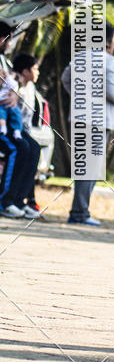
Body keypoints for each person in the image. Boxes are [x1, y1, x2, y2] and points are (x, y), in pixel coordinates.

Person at [61, 23, 114, 225]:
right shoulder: (110, 61)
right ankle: (80, 213)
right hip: (98, 121)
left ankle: (79, 211)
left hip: (79, 117)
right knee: (91, 168)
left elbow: (66, 79)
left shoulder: (80, 57)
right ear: (108, 42)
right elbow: (112, 92)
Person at [0, 28, 41, 220]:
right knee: (18, 149)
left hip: (10, 124)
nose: (9, 44)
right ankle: (5, 201)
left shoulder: (4, 61)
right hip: (3, 124)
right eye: (8, 39)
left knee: (33, 148)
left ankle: (18, 200)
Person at [13, 53, 46, 217]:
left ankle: (23, 200)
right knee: (26, 149)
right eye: (35, 69)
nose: (38, 72)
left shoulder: (31, 88)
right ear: (25, 72)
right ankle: (11, 200)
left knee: (34, 149)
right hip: (12, 129)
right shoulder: (16, 86)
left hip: (24, 130)